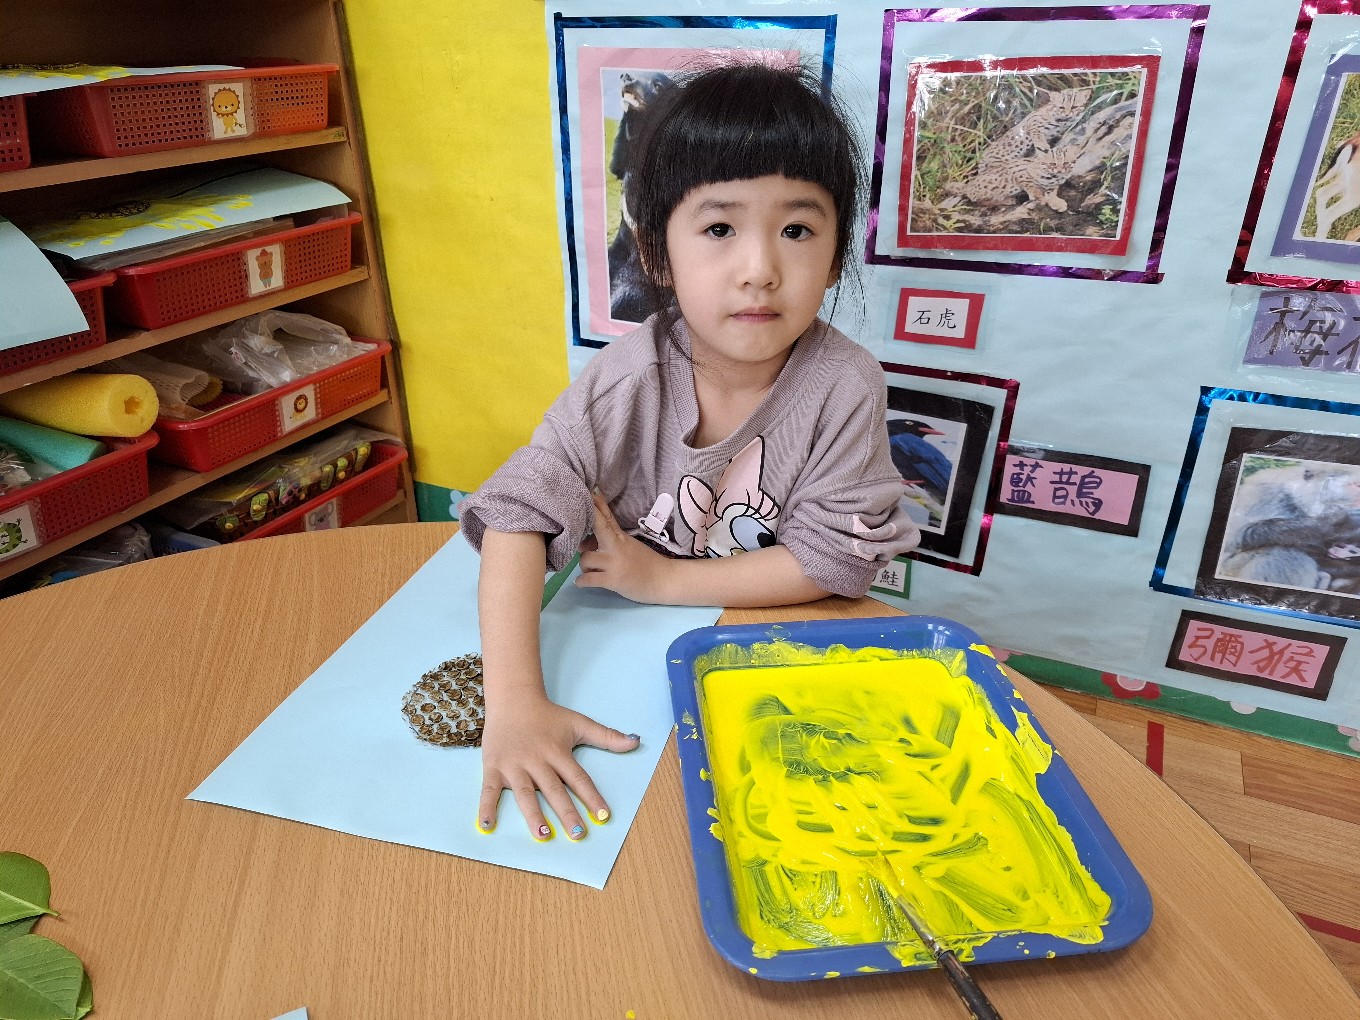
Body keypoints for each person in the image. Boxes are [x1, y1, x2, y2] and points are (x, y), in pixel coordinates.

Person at [458, 61, 921, 842]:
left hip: (772, 644)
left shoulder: (846, 384)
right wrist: (515, 706)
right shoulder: (627, 379)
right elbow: (515, 517)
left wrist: (664, 579)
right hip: (624, 647)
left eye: (797, 230)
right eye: (719, 229)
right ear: (656, 254)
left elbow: (832, 562)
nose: (760, 270)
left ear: (837, 253)